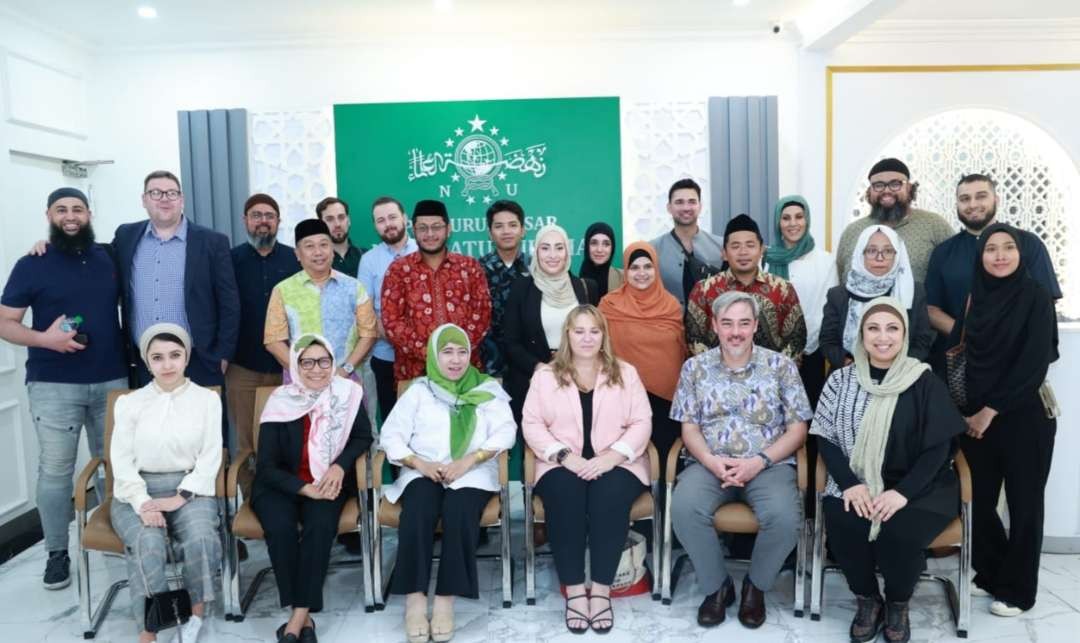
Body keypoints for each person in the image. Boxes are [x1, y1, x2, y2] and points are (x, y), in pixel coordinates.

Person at [811, 297, 965, 643]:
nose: (883, 337)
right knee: (845, 521)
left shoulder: (923, 380)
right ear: (861, 334)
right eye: (873, 328)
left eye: (892, 328)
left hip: (920, 486)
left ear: (905, 334)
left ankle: (897, 603)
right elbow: (825, 438)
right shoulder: (840, 381)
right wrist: (850, 485)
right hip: (857, 481)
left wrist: (902, 493)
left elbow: (938, 448)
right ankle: (867, 600)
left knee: (900, 531)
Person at [0, 187, 128, 590]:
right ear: (49, 215)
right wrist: (44, 339)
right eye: (61, 210)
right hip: (53, 385)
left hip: (112, 380)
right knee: (55, 473)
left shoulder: (109, 258)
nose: (70, 216)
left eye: (77, 209)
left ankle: (114, 534)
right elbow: (5, 321)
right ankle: (57, 552)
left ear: (89, 213)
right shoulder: (31, 263)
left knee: (117, 467)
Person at [670, 291, 811, 629]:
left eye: (744, 323)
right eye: (728, 323)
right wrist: (710, 460)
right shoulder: (695, 368)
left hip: (768, 464)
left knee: (784, 517)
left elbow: (797, 430)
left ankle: (755, 587)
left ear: (755, 326)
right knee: (684, 508)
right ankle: (717, 587)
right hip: (709, 463)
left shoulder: (781, 367)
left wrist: (759, 461)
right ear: (715, 326)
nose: (736, 332)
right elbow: (688, 427)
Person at [379, 324, 516, 643]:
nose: (455, 360)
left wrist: (469, 461)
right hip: (423, 469)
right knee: (417, 512)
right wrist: (419, 463)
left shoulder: (487, 389)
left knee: (458, 512)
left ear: (471, 354)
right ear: (433, 355)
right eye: (447, 352)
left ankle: (444, 600)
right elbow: (391, 435)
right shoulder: (418, 390)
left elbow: (506, 431)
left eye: (462, 352)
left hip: (472, 471)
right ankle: (414, 600)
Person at [522, 305, 652, 635]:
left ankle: (602, 592)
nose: (587, 338)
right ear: (567, 334)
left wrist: (612, 457)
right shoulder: (545, 376)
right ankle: (576, 591)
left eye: (594, 331)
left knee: (607, 498)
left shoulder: (626, 372)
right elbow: (532, 424)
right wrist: (565, 456)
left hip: (619, 462)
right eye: (579, 331)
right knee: (567, 496)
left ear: (604, 335)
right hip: (560, 462)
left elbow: (642, 422)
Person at [960, 223, 1058, 618]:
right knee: (977, 501)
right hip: (975, 417)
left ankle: (1018, 591)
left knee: (1024, 503)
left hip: (1024, 417)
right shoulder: (976, 297)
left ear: (1021, 254)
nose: (999, 256)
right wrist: (970, 411)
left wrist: (990, 410)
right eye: (991, 249)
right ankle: (993, 571)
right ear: (980, 256)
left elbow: (1034, 363)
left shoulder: (1035, 296)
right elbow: (969, 355)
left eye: (1008, 248)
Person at [253, 334, 373, 643]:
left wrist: (338, 466)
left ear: (333, 362)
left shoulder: (348, 395)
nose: (316, 369)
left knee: (320, 527)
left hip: (327, 481)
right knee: (280, 529)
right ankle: (304, 618)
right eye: (307, 362)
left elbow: (363, 437)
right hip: (280, 485)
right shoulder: (280, 400)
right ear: (294, 365)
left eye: (323, 361)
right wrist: (304, 489)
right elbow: (266, 466)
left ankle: (296, 620)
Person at [109, 324, 222, 643]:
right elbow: (122, 462)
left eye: (175, 355)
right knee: (148, 542)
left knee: (200, 536)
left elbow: (211, 456)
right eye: (157, 358)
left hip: (192, 487)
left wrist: (182, 495)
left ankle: (195, 615)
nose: (167, 364)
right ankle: (151, 627)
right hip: (136, 490)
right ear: (147, 362)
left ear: (187, 357)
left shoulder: (207, 399)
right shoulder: (129, 403)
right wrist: (142, 503)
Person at [114, 170, 240, 388]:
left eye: (171, 193)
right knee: (150, 423)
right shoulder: (126, 236)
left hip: (199, 360)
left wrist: (222, 354)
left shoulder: (212, 242)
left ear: (181, 199)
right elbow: (96, 256)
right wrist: (49, 245)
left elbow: (229, 302)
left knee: (202, 422)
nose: (164, 199)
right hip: (145, 363)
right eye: (156, 193)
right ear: (144, 200)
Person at [925, 174, 1060, 368]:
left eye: (981, 196)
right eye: (965, 199)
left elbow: (1046, 301)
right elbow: (931, 310)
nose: (972, 204)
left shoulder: (1027, 244)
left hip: (1017, 359)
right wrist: (970, 334)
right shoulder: (943, 252)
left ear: (996, 200)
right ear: (957, 204)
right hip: (959, 362)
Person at [227, 193, 299, 486]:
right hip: (242, 368)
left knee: (289, 441)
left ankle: (290, 503)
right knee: (247, 443)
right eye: (256, 215)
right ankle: (251, 508)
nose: (263, 221)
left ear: (278, 222)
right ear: (245, 221)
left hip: (288, 369)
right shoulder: (230, 260)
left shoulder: (294, 259)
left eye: (269, 215)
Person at [599, 241, 687, 479]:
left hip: (665, 399)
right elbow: (601, 350)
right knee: (625, 461)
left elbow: (680, 351)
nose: (641, 273)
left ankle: (665, 512)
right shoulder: (609, 304)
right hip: (622, 397)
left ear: (656, 269)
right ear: (625, 271)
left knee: (666, 460)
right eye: (634, 267)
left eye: (647, 266)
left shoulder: (671, 306)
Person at [381, 199, 491, 383]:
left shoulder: (470, 267)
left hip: (463, 371)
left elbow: (482, 315)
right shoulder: (398, 270)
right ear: (414, 231)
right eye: (423, 228)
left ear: (448, 229)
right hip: (415, 373)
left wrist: (454, 356)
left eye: (436, 227)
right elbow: (392, 322)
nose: (430, 234)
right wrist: (431, 354)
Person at [502, 224, 599, 423]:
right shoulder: (521, 288)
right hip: (534, 380)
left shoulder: (586, 287)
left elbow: (596, 334)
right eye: (545, 248)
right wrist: (539, 368)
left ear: (568, 252)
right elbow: (510, 341)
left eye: (559, 247)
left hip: (580, 380)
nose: (552, 255)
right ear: (536, 252)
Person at [264, 219, 378, 385]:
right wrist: (303, 373)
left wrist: (345, 370)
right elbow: (273, 340)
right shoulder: (283, 291)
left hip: (346, 381)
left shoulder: (354, 288)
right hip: (301, 383)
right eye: (309, 246)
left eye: (324, 245)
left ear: (332, 250)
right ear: (297, 253)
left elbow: (369, 334)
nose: (318, 252)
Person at [686, 214, 806, 360]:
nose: (743, 252)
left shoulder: (783, 289)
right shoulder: (703, 290)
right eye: (735, 246)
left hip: (771, 378)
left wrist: (773, 373)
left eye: (750, 245)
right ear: (724, 253)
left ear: (762, 250)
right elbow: (694, 339)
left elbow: (796, 339)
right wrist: (720, 373)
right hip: (718, 379)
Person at [819, 225, 934, 369]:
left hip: (900, 375)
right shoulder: (838, 295)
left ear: (897, 255)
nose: (880, 258)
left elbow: (922, 342)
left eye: (888, 251)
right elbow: (828, 342)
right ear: (861, 253)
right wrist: (853, 366)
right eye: (872, 251)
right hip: (849, 373)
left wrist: (892, 369)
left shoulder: (913, 291)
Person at [763, 195, 838, 407]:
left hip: (810, 351)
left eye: (799, 217)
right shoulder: (766, 259)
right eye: (786, 218)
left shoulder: (825, 261)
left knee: (808, 411)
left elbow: (826, 308)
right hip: (771, 352)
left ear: (807, 220)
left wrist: (800, 347)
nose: (793, 223)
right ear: (778, 222)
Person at [835, 158, 953, 283]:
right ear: (869, 191)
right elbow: (840, 281)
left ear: (909, 188)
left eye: (895, 184)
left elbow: (957, 272)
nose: (886, 191)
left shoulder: (934, 226)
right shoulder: (852, 232)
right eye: (878, 185)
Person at [357, 196, 418, 422]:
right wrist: (398, 340)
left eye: (392, 217)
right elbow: (365, 311)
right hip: (385, 356)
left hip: (426, 359)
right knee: (394, 422)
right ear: (375, 226)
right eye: (381, 220)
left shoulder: (425, 252)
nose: (388, 224)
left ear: (405, 218)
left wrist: (417, 346)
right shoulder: (369, 260)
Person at [650, 178, 725, 305]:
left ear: (700, 207)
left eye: (692, 202)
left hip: (711, 322)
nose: (686, 208)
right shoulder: (653, 249)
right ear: (669, 208)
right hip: (669, 322)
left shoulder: (721, 246)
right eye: (679, 202)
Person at [478, 200, 530, 377]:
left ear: (523, 230)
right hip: (488, 366)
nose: (506, 231)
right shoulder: (476, 270)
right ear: (490, 233)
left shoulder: (536, 268)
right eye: (499, 226)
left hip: (530, 364)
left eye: (513, 225)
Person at [315, 197, 363, 277]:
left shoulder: (365, 257)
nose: (337, 224)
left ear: (349, 220)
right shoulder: (314, 262)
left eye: (341, 217)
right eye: (330, 219)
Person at [579, 222, 624, 298]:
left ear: (612, 248)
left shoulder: (623, 278)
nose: (599, 249)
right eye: (594, 243)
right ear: (587, 246)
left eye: (606, 244)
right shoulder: (576, 282)